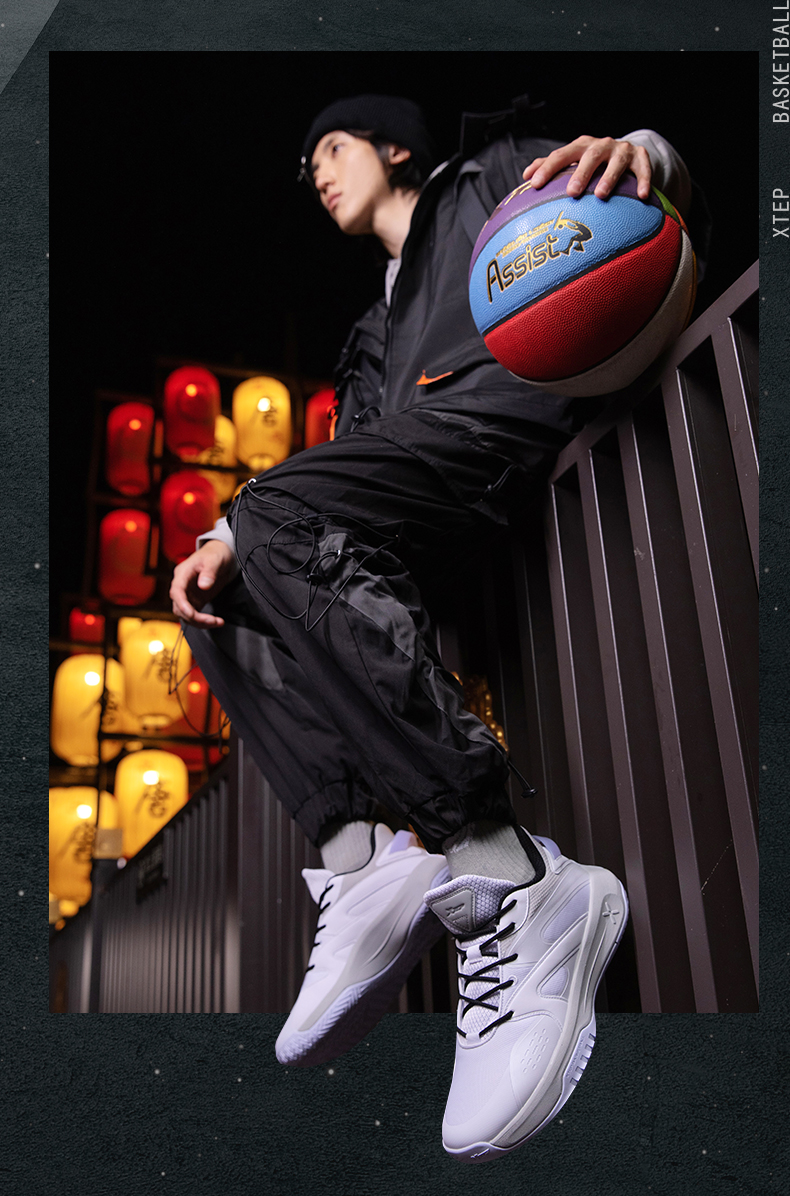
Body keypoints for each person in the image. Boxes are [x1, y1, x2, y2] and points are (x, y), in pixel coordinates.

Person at [170, 94, 693, 1162]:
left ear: (395, 145)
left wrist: (645, 152)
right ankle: (366, 860)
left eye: (332, 148)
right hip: (417, 497)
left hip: (499, 425)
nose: (318, 173)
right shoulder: (369, 331)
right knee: (214, 588)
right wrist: (233, 537)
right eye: (309, 164)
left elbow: (630, 192)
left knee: (263, 512)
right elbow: (337, 482)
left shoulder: (490, 179)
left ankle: (510, 875)